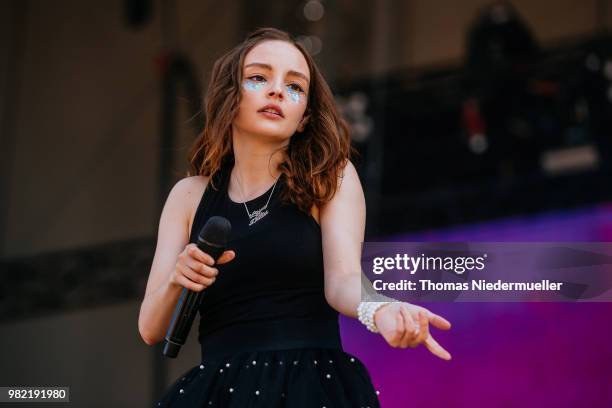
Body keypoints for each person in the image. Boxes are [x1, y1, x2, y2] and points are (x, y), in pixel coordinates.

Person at [138, 27, 452, 408]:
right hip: (219, 391)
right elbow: (151, 328)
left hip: (310, 383)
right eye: (258, 77)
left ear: (303, 117)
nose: (276, 91)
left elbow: (345, 280)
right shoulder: (189, 196)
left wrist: (380, 309)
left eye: (295, 86)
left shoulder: (330, 176)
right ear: (228, 96)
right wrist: (177, 278)